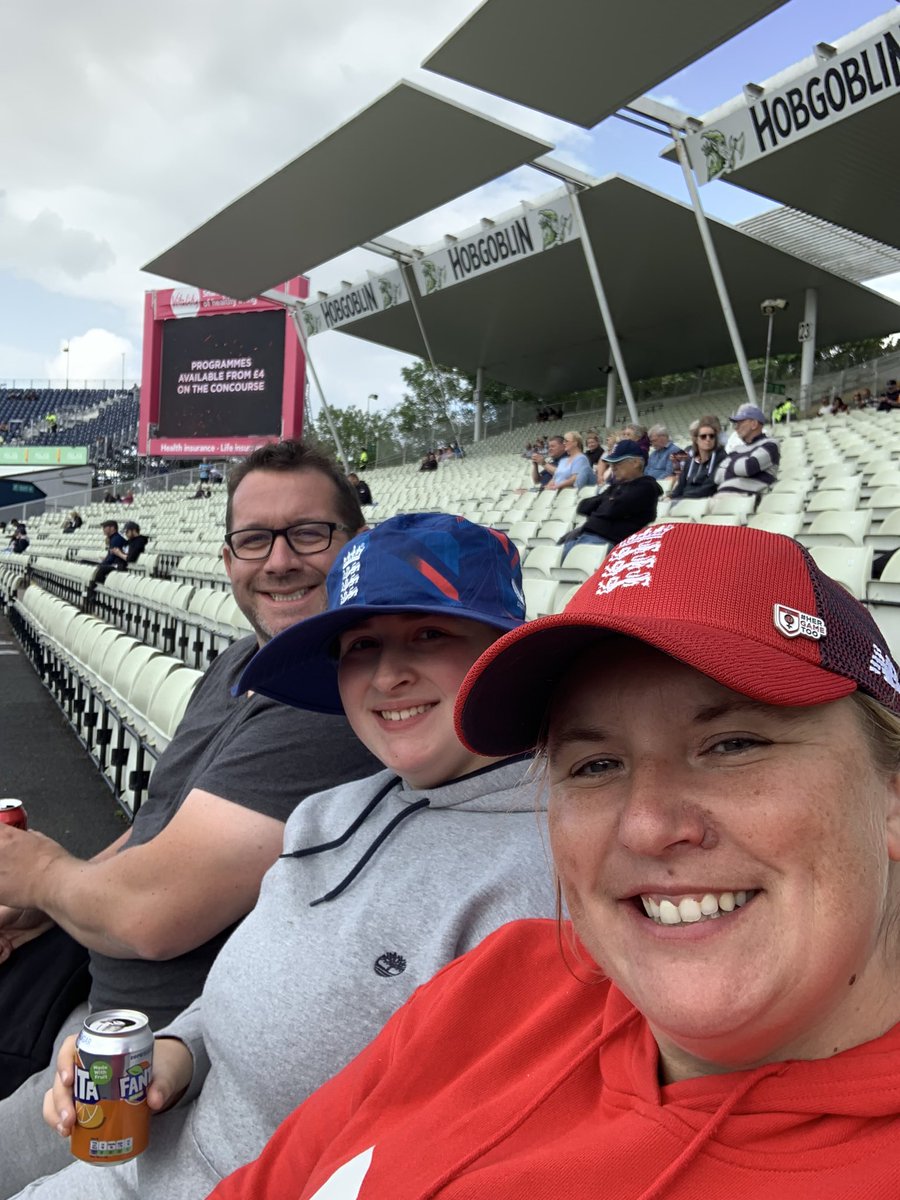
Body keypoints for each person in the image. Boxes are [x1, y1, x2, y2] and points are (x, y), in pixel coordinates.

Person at [205, 522, 900, 1199]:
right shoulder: (500, 982)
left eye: (734, 745)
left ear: (892, 797)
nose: (648, 825)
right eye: (596, 764)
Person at [33, 514, 555, 1200]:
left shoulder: (546, 874)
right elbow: (253, 985)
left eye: (430, 634)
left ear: (503, 652)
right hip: (150, 1155)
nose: (389, 674)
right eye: (361, 644)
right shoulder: (327, 810)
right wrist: (176, 1054)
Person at [0, 440, 379, 1196]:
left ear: (355, 546)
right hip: (94, 989)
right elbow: (154, 828)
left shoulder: (335, 697)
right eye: (253, 539)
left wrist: (45, 877)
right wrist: (45, 906)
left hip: (160, 1049)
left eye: (309, 533)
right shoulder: (243, 658)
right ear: (228, 553)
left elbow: (151, 917)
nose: (278, 560)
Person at [560, 438, 660, 559]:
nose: (612, 467)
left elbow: (612, 509)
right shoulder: (617, 486)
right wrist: (607, 501)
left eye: (618, 463)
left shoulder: (646, 487)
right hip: (586, 536)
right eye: (611, 463)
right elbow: (583, 506)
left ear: (636, 463)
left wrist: (603, 503)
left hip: (608, 543)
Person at [714, 402, 779, 503]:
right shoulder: (737, 449)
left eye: (740, 423)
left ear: (754, 424)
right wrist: (738, 468)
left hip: (748, 500)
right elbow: (718, 476)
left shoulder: (770, 445)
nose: (736, 428)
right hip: (724, 497)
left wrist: (731, 466)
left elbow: (747, 468)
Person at [670, 417, 726, 502]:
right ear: (696, 439)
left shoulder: (721, 457)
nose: (708, 439)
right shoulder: (690, 459)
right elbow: (681, 484)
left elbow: (710, 486)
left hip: (704, 502)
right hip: (684, 500)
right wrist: (671, 497)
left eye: (711, 436)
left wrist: (683, 499)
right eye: (703, 436)